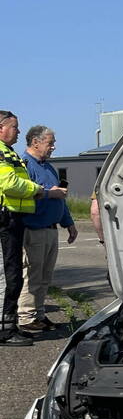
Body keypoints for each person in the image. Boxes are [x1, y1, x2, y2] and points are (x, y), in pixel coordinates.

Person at [0, 111, 66, 346]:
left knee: (30, 276)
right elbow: (9, 184)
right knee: (16, 276)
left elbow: (59, 197)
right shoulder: (12, 157)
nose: (18, 131)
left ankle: (25, 320)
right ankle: (14, 324)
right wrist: (40, 191)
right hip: (16, 222)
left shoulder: (13, 155)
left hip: (23, 222)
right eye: (14, 127)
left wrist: (67, 221)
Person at [19, 126, 77, 332]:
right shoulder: (25, 165)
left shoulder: (49, 167)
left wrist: (68, 222)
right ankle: (26, 317)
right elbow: (23, 192)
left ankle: (39, 314)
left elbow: (60, 197)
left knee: (45, 276)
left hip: (51, 229)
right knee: (33, 275)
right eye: (50, 143)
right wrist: (48, 193)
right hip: (34, 228)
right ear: (35, 142)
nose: (53, 147)